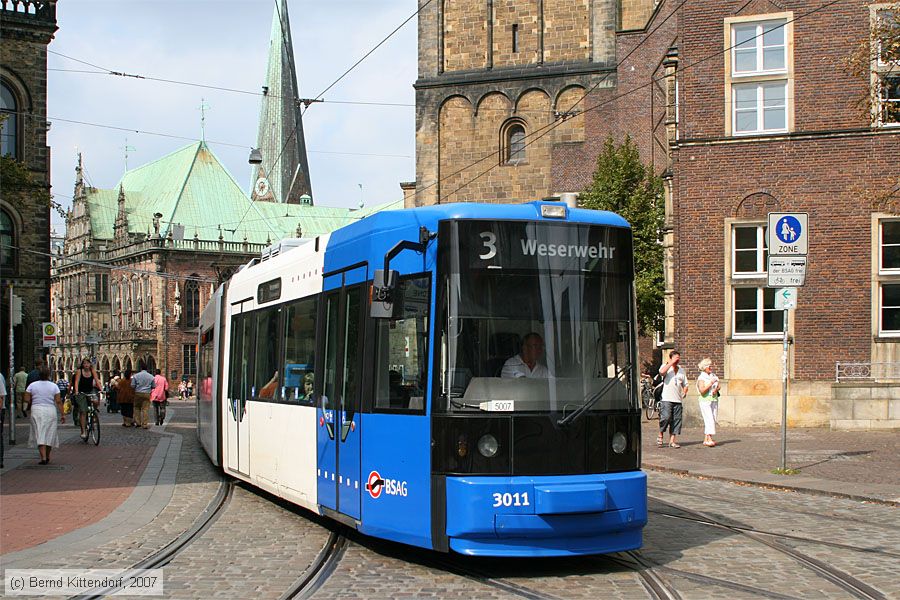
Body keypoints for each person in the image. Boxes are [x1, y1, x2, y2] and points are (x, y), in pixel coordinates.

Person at [25, 365, 64, 465]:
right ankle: (48, 455)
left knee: (39, 432)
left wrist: (28, 404)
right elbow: (58, 401)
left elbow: (26, 399)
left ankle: (43, 457)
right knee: (50, 433)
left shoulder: (32, 385)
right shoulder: (54, 386)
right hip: (50, 410)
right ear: (48, 375)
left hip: (37, 409)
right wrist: (63, 414)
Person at [657, 349, 687, 448]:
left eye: (679, 358)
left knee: (676, 420)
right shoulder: (665, 366)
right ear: (670, 358)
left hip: (677, 399)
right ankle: (661, 433)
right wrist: (670, 363)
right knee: (665, 417)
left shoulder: (681, 370)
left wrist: (685, 391)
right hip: (667, 398)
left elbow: (685, 383)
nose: (677, 360)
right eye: (676, 358)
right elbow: (661, 372)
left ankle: (672, 441)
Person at [73, 358, 101, 441]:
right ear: (82, 365)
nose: (86, 365)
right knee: (83, 410)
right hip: (81, 392)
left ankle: (94, 413)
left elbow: (96, 380)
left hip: (90, 390)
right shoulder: (79, 371)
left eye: (88, 363)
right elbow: (76, 382)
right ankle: (83, 431)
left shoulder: (93, 371)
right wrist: (77, 391)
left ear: (90, 364)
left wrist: (101, 389)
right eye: (84, 363)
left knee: (96, 401)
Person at [696, 358, 720, 447]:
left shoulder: (713, 375)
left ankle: (706, 438)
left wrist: (716, 389)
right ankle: (709, 438)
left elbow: (718, 385)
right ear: (705, 367)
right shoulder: (701, 378)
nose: (711, 367)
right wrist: (710, 383)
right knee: (709, 418)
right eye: (709, 366)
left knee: (713, 418)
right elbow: (702, 390)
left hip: (714, 399)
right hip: (705, 400)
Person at [131, 362, 154, 429]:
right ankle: (145, 424)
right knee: (145, 409)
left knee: (136, 408)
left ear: (141, 368)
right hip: (147, 393)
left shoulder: (136, 376)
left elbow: (132, 385)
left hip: (138, 392)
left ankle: (138, 423)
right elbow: (154, 386)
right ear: (147, 368)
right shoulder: (151, 376)